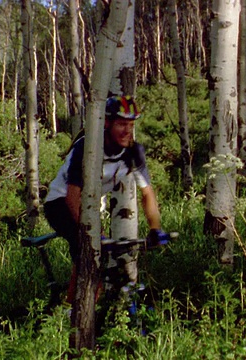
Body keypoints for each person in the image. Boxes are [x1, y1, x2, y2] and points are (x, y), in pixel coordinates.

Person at [43, 95, 170, 304]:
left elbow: (147, 193)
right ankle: (72, 312)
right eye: (121, 124)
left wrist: (155, 229)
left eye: (130, 124)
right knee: (89, 254)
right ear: (107, 123)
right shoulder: (88, 147)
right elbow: (72, 196)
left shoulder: (133, 152)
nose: (127, 130)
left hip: (90, 206)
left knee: (101, 259)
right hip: (60, 204)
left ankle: (92, 309)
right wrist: (95, 233)